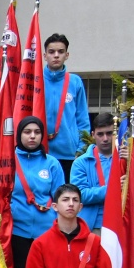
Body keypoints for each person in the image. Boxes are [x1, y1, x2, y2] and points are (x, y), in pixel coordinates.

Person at [0, 116, 64, 268]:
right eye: (27, 132)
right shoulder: (6, 160)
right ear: (19, 135)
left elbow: (61, 196)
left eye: (37, 132)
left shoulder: (52, 163)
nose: (32, 136)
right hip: (17, 231)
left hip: (47, 232)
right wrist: (1, 205)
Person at [42, 33, 90, 180]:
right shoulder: (35, 80)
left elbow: (82, 119)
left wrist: (81, 149)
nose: (56, 55)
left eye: (60, 52)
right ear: (45, 55)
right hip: (42, 152)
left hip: (69, 154)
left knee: (67, 197)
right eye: (51, 52)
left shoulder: (75, 82)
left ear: (67, 55)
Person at [72, 112, 118, 231]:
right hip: (93, 227)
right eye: (100, 134)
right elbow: (79, 195)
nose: (105, 139)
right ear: (93, 135)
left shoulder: (124, 158)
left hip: (120, 226)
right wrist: (112, 189)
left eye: (109, 133)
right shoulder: (80, 162)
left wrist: (130, 164)